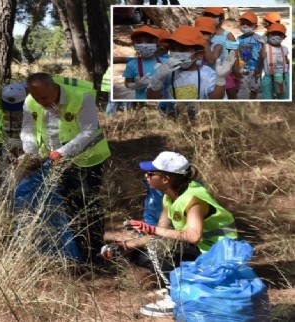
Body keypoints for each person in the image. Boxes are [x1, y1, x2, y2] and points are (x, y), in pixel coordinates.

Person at [101, 151, 238, 317]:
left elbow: (194, 236)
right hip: (201, 250)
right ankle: (180, 287)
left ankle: (177, 297)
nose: (146, 176)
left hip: (218, 256)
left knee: (158, 251)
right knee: (140, 253)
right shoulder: (170, 197)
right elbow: (158, 233)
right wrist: (124, 245)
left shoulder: (194, 199)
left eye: (151, 173)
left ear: (166, 179)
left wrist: (152, 229)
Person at [20, 72, 111, 266]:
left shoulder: (80, 98)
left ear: (54, 88)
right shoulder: (31, 101)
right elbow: (27, 129)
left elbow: (89, 130)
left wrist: (62, 152)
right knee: (66, 205)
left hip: (87, 159)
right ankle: (75, 252)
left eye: (44, 97)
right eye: (36, 97)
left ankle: (96, 254)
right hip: (53, 161)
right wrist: (30, 153)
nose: (41, 101)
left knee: (87, 205)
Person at [147, 25, 233, 100]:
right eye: (173, 49)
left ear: (199, 54)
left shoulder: (208, 74)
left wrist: (220, 80)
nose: (177, 53)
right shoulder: (165, 72)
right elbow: (152, 99)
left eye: (183, 50)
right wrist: (157, 80)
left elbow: (215, 99)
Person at [201, 7, 241, 99]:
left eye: (213, 16)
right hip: (205, 73)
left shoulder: (228, 35)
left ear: (221, 19)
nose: (210, 18)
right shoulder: (200, 34)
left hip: (223, 72)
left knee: (231, 95)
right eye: (208, 16)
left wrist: (236, 71)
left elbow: (234, 54)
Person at [123, 25, 165, 100]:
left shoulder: (166, 62)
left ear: (157, 44)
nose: (144, 45)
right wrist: (135, 85)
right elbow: (127, 82)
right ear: (134, 45)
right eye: (139, 42)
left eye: (149, 41)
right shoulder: (131, 65)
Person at [256, 23, 290, 100]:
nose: (276, 36)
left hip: (283, 76)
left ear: (283, 37)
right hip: (269, 77)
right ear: (268, 35)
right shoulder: (266, 47)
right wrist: (258, 72)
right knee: (267, 96)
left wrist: (287, 74)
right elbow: (261, 59)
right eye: (273, 34)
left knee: (283, 96)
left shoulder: (285, 49)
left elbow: (287, 61)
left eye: (279, 34)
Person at [237, 12, 265, 99]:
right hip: (242, 68)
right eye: (243, 23)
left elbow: (263, 56)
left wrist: (259, 70)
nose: (245, 26)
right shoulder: (239, 39)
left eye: (248, 24)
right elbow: (236, 54)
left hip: (255, 69)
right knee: (238, 88)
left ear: (255, 27)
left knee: (254, 88)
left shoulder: (260, 39)